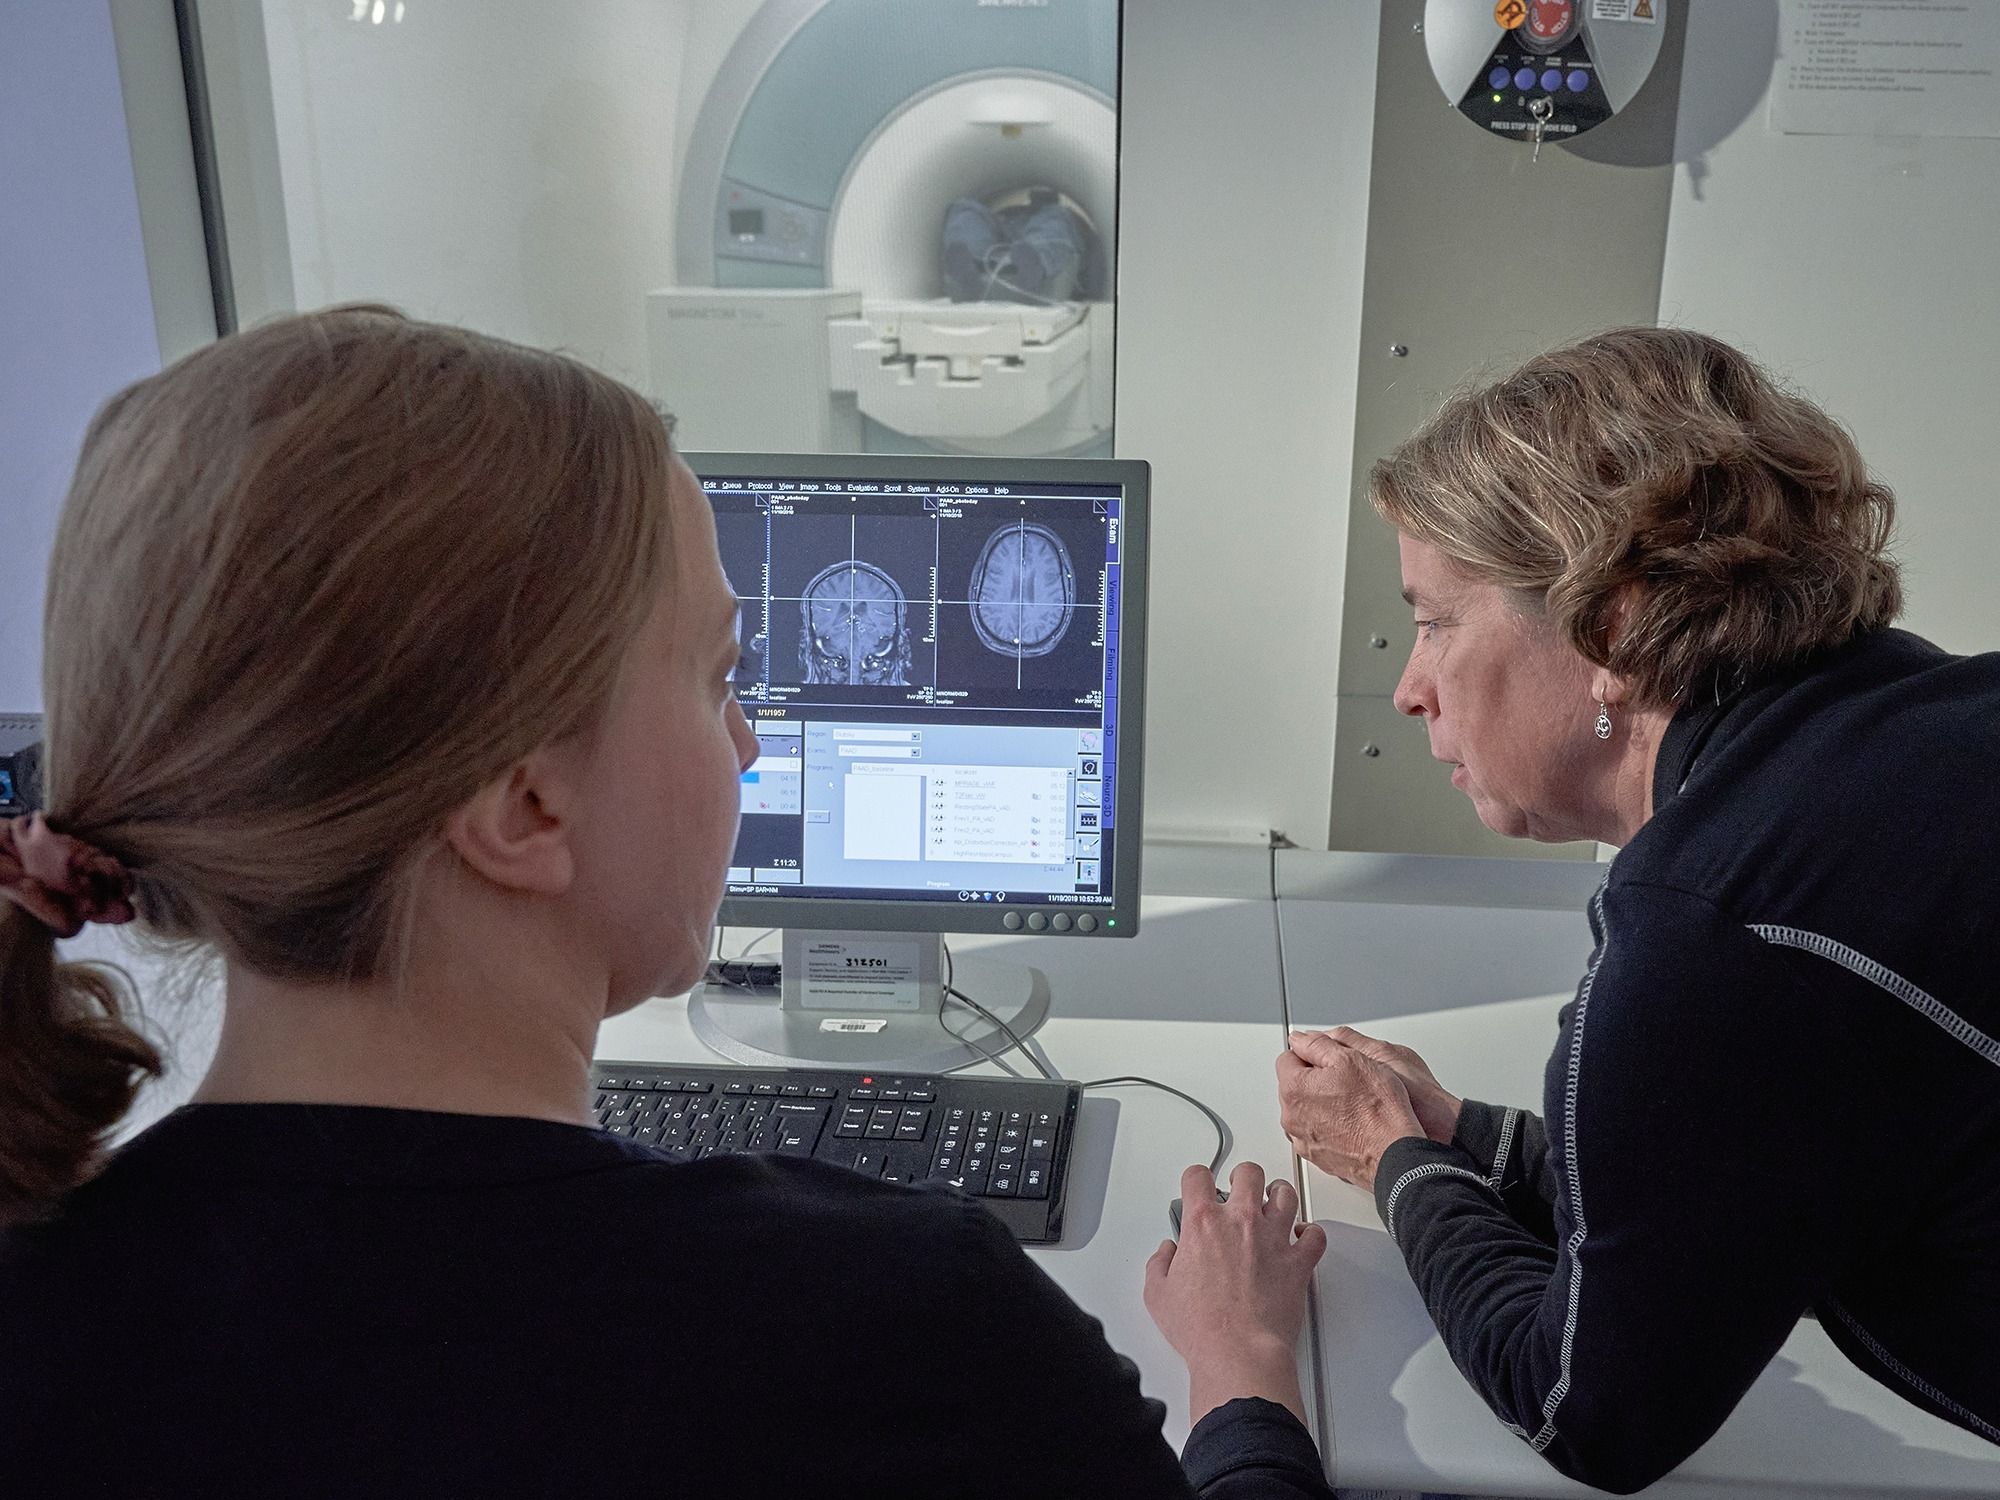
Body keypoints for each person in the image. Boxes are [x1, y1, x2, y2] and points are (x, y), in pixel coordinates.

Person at [0, 308, 1330, 1497]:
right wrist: (1248, 1374)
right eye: (715, 677)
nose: (748, 743)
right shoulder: (907, 1334)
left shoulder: (42, 1303)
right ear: (523, 807)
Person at [1277, 326, 2000, 1493]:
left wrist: (1396, 1160)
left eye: (1433, 620)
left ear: (1604, 626)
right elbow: (1726, 1182)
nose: (1409, 689)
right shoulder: (1918, 717)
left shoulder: (1713, 931)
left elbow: (1586, 1413)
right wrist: (1464, 1134)